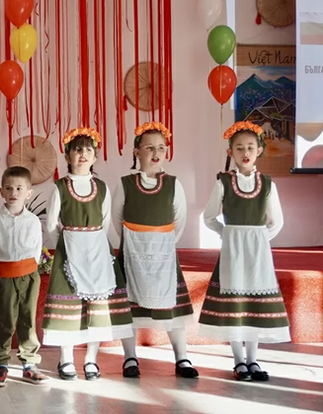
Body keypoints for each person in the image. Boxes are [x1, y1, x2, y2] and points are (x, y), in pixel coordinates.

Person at [199, 121, 289, 382]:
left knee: (253, 307)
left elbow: (277, 222)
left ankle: (253, 360)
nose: (245, 152)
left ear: (260, 150)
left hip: (257, 255)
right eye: (239, 148)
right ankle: (239, 361)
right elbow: (209, 217)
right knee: (235, 306)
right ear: (231, 153)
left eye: (250, 147)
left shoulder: (268, 184)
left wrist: (258, 239)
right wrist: (228, 235)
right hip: (233, 253)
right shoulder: (224, 182)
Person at [41, 127, 134, 381]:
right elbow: (51, 225)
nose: (83, 154)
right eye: (77, 149)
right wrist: (67, 246)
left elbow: (104, 222)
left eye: (88, 150)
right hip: (70, 252)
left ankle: (91, 359)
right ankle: (66, 358)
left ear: (95, 158)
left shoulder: (101, 188)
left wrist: (94, 245)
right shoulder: (59, 187)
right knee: (69, 308)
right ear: (68, 155)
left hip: (97, 252)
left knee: (97, 307)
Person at [113, 122, 198, 379]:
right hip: (133, 255)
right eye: (149, 147)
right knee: (130, 310)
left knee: (172, 311)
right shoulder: (125, 184)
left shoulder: (173, 184)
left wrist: (160, 245)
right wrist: (136, 243)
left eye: (161, 147)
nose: (155, 152)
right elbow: (117, 221)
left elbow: (179, 221)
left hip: (163, 255)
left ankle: (181, 357)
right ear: (136, 151)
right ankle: (130, 357)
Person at [0, 166, 47, 387]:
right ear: (1, 191)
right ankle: (1, 364)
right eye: (9, 187)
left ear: (28, 193)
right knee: (4, 320)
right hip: (4, 275)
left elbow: (37, 251)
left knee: (28, 319)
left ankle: (29, 364)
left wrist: (29, 272)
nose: (14, 192)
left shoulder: (33, 221)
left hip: (29, 275)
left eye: (19, 188)